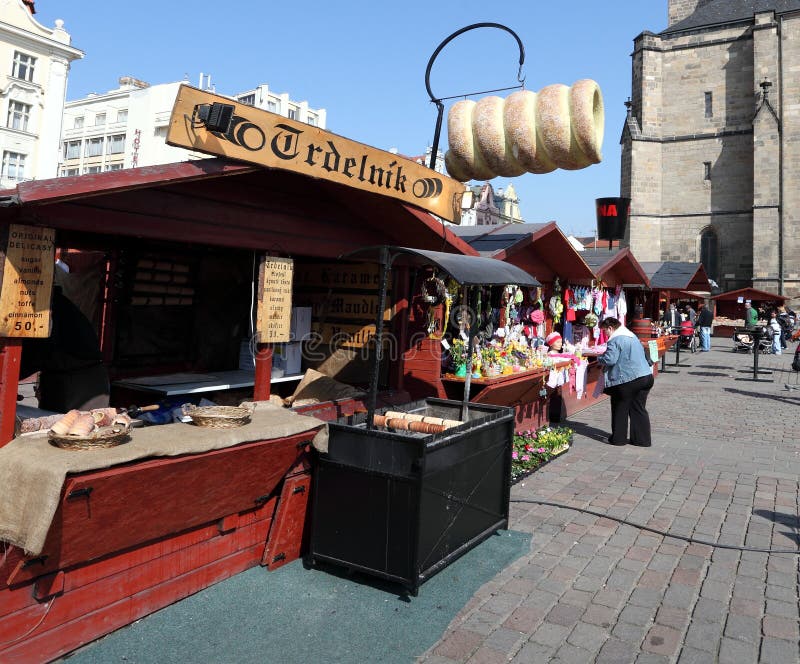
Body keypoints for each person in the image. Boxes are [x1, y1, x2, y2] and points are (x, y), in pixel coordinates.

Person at [20, 286, 110, 413]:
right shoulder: (48, 302)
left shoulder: (44, 307)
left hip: (79, 381)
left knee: (75, 428)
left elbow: (36, 352)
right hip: (63, 377)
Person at [596, 317, 654, 446]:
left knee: (620, 407)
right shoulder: (631, 335)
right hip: (646, 376)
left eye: (605, 331)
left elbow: (610, 360)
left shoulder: (615, 339)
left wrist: (599, 358)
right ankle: (642, 440)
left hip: (628, 379)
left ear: (610, 328)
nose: (605, 334)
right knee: (638, 408)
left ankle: (618, 439)